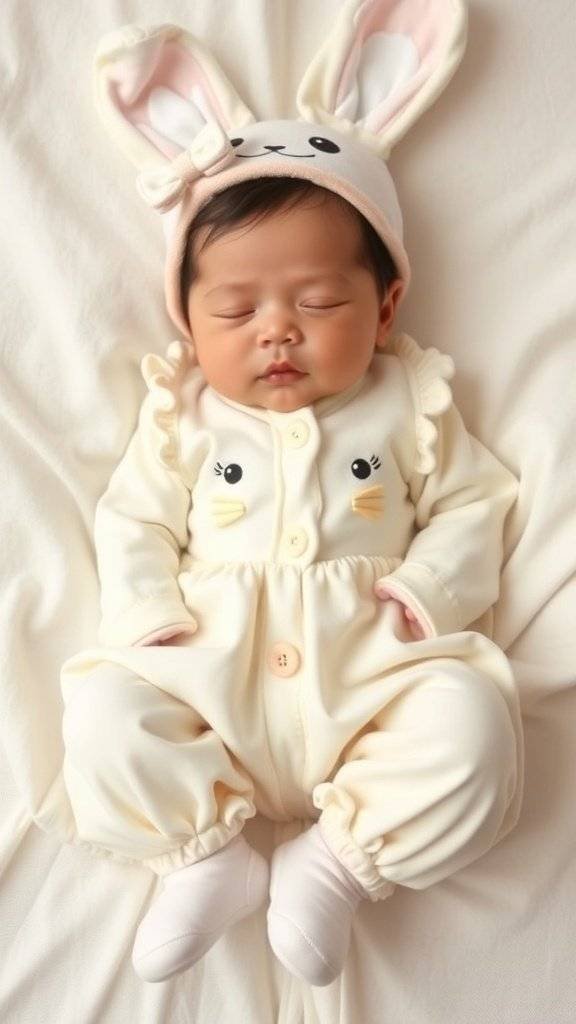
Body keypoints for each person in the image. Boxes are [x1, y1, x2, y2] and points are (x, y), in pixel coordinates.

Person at [59, 9, 524, 988]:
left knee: (478, 728)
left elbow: (477, 503)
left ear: (386, 303)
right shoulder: (179, 413)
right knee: (99, 711)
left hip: (371, 681)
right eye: (235, 308)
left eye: (318, 303)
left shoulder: (412, 399)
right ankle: (205, 855)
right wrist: (148, 610)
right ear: (186, 318)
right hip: (205, 678)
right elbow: (135, 517)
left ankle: (338, 863)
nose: (277, 332)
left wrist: (431, 592)